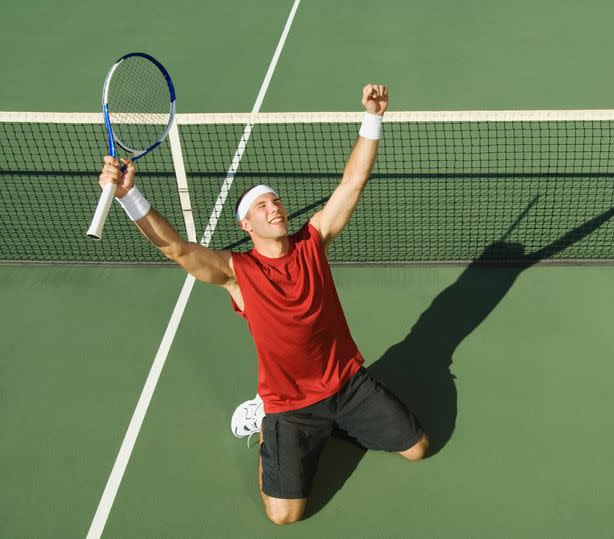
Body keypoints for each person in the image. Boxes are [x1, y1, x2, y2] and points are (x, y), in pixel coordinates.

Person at [97, 84, 429, 525]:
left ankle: (335, 426)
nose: (273, 207)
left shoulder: (314, 241)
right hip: (290, 404)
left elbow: (353, 182)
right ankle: (265, 424)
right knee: (283, 515)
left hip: (346, 383)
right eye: (261, 204)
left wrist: (373, 117)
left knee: (418, 449)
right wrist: (128, 196)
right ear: (245, 223)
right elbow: (176, 248)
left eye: (275, 200)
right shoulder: (237, 273)